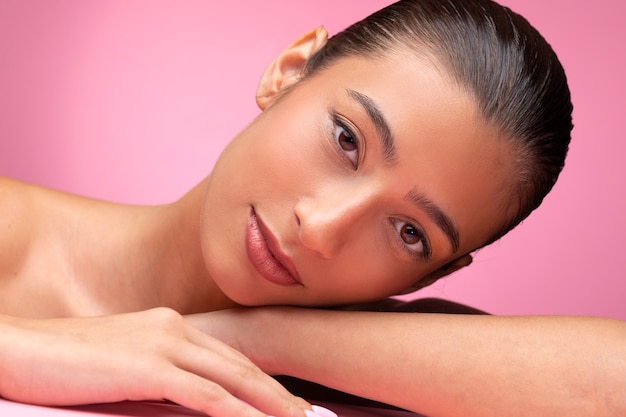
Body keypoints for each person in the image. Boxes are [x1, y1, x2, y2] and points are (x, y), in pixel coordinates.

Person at [0, 1, 624, 417]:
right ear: (288, 72)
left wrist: (253, 338)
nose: (321, 231)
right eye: (348, 140)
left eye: (410, 234)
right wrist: (24, 352)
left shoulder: (397, 366)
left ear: (429, 278)